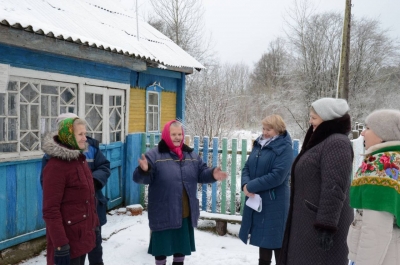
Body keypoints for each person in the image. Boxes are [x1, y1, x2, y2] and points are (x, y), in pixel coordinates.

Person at [133, 120, 228, 265]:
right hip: (163, 212)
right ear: (166, 135)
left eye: (179, 134)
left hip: (184, 211)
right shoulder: (154, 155)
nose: (177, 137)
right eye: (173, 134)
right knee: (161, 250)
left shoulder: (191, 155)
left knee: (180, 249)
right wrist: (144, 170)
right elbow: (139, 178)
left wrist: (212, 174)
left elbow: (201, 173)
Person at [278, 97, 354, 265]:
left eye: (314, 117)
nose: (310, 121)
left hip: (320, 227)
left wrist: (326, 226)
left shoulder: (337, 143)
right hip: (308, 222)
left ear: (327, 118)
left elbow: (334, 187)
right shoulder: (323, 141)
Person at [41, 113, 111, 265]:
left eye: (85, 134)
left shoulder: (80, 160)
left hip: (82, 236)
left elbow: (88, 200)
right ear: (68, 135)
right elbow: (51, 209)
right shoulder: (55, 166)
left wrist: (94, 226)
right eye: (80, 134)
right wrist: (60, 244)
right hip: (67, 240)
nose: (85, 138)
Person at [238, 114, 293, 265]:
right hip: (259, 199)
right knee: (264, 240)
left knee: (276, 241)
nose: (265, 132)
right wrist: (245, 185)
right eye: (264, 128)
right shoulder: (259, 144)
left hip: (275, 201)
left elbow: (277, 176)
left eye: (269, 129)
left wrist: (251, 186)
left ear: (279, 130)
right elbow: (246, 168)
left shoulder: (285, 148)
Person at [347, 109, 400, 264]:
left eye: (368, 128)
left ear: (383, 134)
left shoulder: (381, 166)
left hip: (383, 256)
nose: (363, 133)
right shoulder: (395, 159)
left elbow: (376, 230)